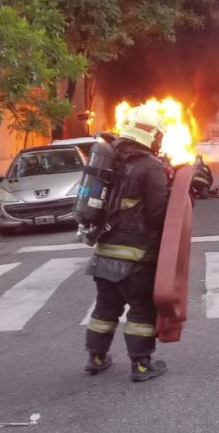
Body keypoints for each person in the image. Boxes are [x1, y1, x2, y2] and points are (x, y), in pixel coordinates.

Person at [83, 105, 170, 382]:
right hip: (136, 257)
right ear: (151, 134)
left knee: (105, 309)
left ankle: (96, 357)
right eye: (158, 135)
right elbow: (158, 214)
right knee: (141, 310)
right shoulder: (149, 166)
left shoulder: (111, 160)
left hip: (104, 252)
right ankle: (142, 365)